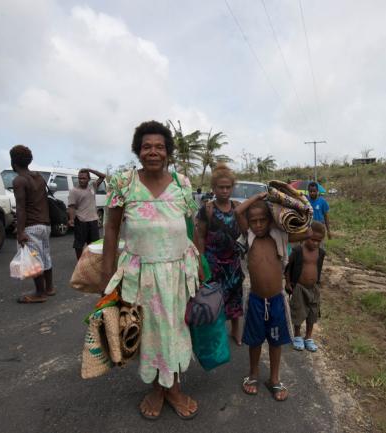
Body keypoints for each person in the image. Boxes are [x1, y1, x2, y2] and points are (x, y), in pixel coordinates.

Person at [101, 120, 202, 420]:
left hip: (177, 273)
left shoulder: (183, 184)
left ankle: (173, 387)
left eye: (159, 146)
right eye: (147, 147)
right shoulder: (122, 183)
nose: (153, 152)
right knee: (147, 332)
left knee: (176, 329)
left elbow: (190, 227)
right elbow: (111, 231)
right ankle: (158, 389)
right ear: (138, 151)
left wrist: (201, 267)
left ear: (168, 152)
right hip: (139, 274)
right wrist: (106, 277)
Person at [235, 193, 311, 402]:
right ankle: (253, 375)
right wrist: (260, 196)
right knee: (255, 341)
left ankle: (274, 379)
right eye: (254, 221)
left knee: (276, 342)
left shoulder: (280, 236)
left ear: (271, 220)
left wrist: (291, 208)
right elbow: (238, 211)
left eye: (263, 220)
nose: (258, 225)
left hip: (276, 300)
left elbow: (308, 231)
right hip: (256, 300)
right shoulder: (249, 237)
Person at [194, 163, 244, 345]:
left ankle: (236, 330)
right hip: (213, 262)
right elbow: (199, 236)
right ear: (213, 188)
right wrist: (200, 260)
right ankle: (218, 334)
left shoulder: (238, 208)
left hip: (233, 263)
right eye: (220, 187)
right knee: (214, 299)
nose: (224, 191)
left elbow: (245, 232)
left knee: (235, 296)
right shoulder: (207, 210)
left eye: (228, 187)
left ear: (232, 187)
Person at [10, 145, 55, 303]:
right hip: (45, 224)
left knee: (34, 260)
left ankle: (40, 293)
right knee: (45, 256)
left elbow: (21, 208)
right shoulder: (39, 177)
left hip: (31, 226)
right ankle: (49, 288)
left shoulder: (19, 180)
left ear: (13, 162)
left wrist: (20, 231)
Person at [286, 221, 326, 352]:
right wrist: (288, 282)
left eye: (318, 241)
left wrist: (318, 282)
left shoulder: (320, 253)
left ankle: (308, 337)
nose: (315, 243)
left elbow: (318, 267)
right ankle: (297, 336)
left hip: (313, 288)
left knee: (312, 313)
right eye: (312, 239)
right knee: (298, 311)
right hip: (299, 287)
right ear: (305, 236)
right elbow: (288, 266)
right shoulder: (298, 251)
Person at [67, 168, 106, 260]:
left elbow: (103, 176)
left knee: (94, 244)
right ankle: (80, 262)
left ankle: (93, 261)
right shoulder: (74, 191)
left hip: (93, 220)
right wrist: (71, 219)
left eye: (84, 178)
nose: (81, 180)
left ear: (88, 179)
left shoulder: (93, 186)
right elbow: (71, 207)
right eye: (79, 178)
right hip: (81, 221)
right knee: (79, 245)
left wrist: (90, 170)